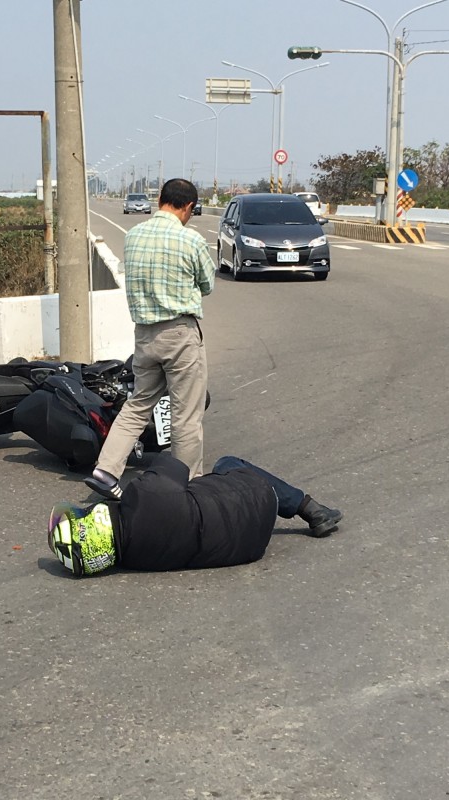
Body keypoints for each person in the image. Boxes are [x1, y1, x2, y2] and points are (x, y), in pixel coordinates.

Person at [84, 178, 216, 501]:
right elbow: (208, 284)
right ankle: (185, 488)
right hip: (180, 335)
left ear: (159, 199)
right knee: (185, 415)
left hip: (144, 336)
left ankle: (106, 469)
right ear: (188, 208)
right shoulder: (191, 240)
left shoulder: (133, 237)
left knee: (138, 405)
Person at [50, 452, 343, 577]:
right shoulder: (144, 496)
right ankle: (309, 507)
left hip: (251, 547)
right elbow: (174, 463)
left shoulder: (136, 560)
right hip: (260, 498)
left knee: (193, 504)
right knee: (226, 462)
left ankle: (309, 508)